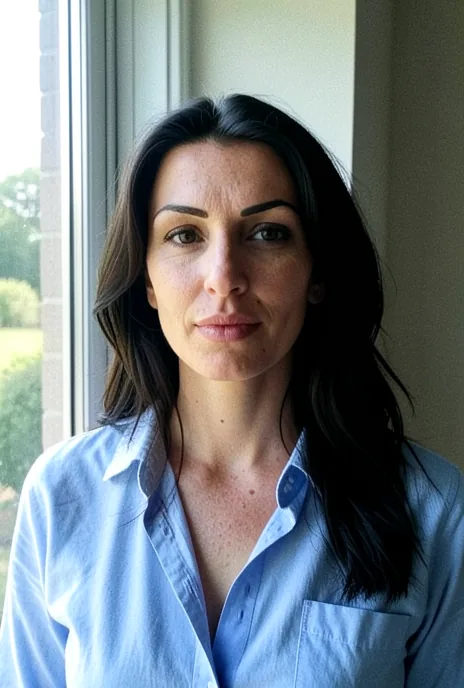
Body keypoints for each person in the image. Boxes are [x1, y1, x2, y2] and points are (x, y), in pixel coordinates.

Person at [0, 94, 463, 687]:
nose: (223, 277)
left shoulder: (433, 511)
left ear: (317, 273)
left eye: (267, 233)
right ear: (146, 279)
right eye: (184, 235)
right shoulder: (62, 497)